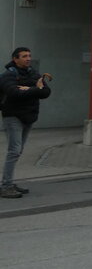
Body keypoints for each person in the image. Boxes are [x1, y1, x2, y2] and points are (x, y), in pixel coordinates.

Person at [1, 46, 52, 198]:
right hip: (13, 116)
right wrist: (35, 89)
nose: (28, 58)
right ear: (15, 59)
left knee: (18, 151)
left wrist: (28, 89)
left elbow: (46, 92)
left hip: (29, 116)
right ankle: (6, 186)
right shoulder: (7, 76)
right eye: (24, 56)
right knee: (14, 151)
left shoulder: (33, 73)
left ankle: (8, 182)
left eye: (29, 55)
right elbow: (14, 92)